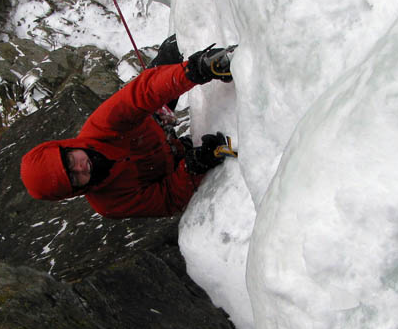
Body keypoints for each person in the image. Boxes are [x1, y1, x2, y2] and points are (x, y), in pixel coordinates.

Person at [20, 37, 236, 218]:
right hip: (173, 162)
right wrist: (192, 166)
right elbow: (167, 199)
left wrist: (193, 71)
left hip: (152, 119)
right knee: (214, 150)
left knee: (174, 49)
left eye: (69, 161)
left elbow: (143, 94)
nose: (81, 167)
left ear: (65, 147)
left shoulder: (100, 128)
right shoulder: (110, 203)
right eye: (74, 178)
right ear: (75, 191)